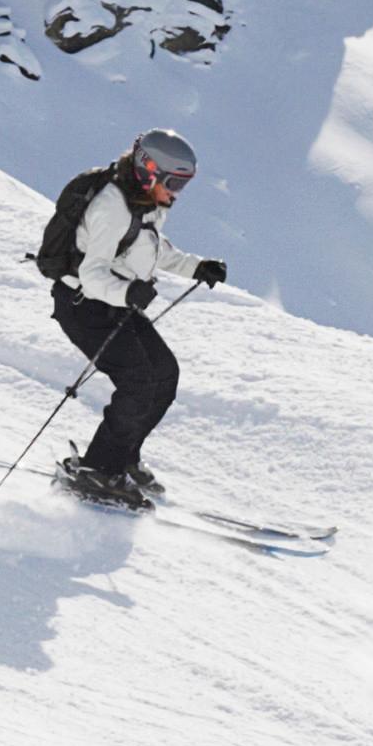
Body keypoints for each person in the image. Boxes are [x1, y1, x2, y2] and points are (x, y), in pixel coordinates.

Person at [37, 127, 225, 509]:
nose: (176, 192)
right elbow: (92, 275)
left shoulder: (147, 203)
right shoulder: (111, 205)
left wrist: (196, 267)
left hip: (115, 304)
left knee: (164, 374)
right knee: (138, 381)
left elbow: (150, 249)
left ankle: (123, 457)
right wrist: (127, 292)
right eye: (173, 182)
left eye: (183, 185)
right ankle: (98, 472)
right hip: (84, 306)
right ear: (149, 169)